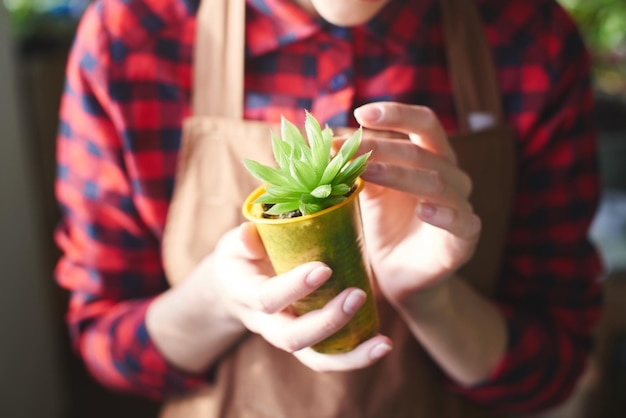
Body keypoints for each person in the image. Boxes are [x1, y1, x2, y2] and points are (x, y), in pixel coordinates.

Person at [54, 0, 603, 417]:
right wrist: (220, 299)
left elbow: (552, 365)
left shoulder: (530, 37)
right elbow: (110, 344)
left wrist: (432, 299)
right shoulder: (132, 37)